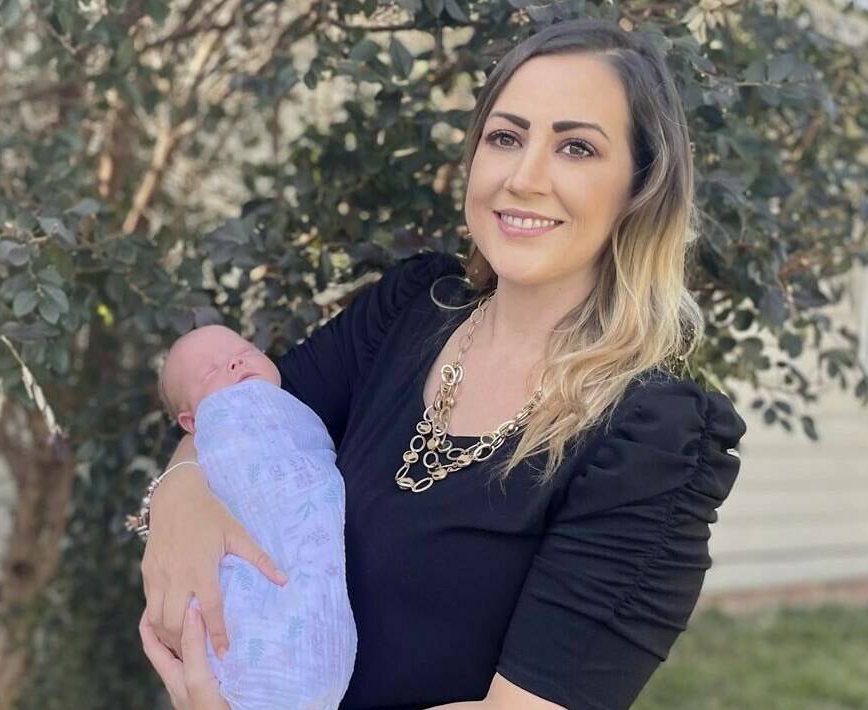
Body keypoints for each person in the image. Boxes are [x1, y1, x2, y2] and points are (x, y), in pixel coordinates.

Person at [137, 17, 748, 710]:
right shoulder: (408, 309)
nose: (525, 177)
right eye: (506, 137)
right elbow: (241, 416)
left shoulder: (655, 438)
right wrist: (182, 492)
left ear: (640, 188)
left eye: (576, 147)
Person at [137, 324, 355, 709]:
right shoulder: (211, 433)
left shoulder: (295, 407)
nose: (235, 362)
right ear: (191, 424)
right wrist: (179, 484)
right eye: (211, 371)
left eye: (245, 350)